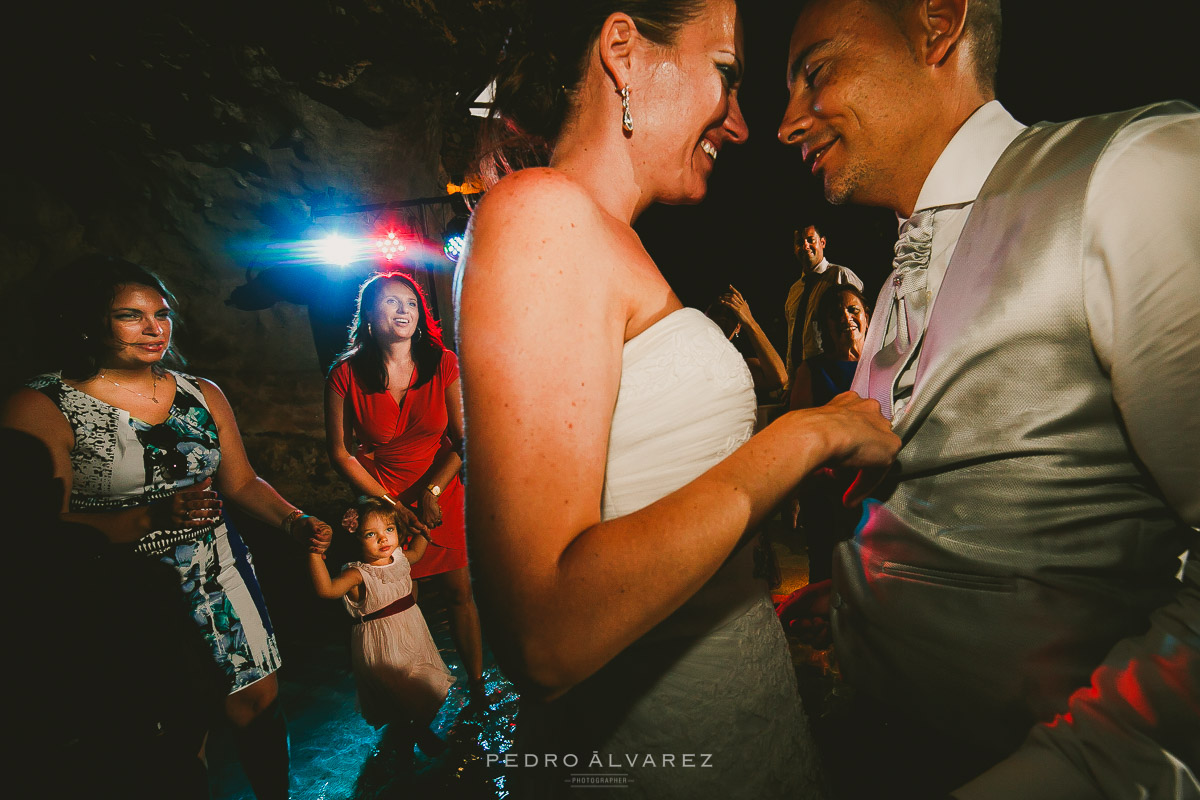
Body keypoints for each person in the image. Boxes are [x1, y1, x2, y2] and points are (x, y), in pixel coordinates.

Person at [456, 1, 900, 796]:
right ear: (624, 50)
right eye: (725, 77)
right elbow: (546, 634)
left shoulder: (605, 238)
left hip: (735, 719)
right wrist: (804, 436)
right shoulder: (541, 217)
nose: (739, 126)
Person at [777, 0, 1199, 797]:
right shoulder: (903, 261)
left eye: (816, 71)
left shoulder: (1132, 172)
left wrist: (1079, 767)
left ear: (937, 21)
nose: (787, 121)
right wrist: (858, 599)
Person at [0, 254, 334, 800]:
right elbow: (35, 529)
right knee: (171, 727)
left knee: (258, 700)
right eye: (130, 316)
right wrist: (149, 517)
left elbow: (242, 483)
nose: (155, 329)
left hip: (218, 571)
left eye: (161, 313)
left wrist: (296, 522)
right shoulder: (42, 405)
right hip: (117, 586)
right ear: (87, 322)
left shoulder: (201, 394)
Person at [324, 270, 485, 701]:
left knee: (458, 594)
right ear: (370, 318)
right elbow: (341, 452)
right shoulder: (344, 374)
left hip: (440, 489)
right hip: (384, 501)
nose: (404, 310)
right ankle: (415, 694)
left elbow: (464, 439)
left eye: (411, 303)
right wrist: (388, 506)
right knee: (397, 604)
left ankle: (478, 683)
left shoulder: (442, 362)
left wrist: (432, 492)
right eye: (392, 302)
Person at [307, 496, 455, 754]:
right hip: (381, 648)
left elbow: (418, 553)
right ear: (356, 540)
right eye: (370, 534)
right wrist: (315, 555)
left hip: (412, 636)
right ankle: (413, 739)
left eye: (389, 530)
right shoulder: (357, 574)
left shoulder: (399, 558)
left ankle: (409, 737)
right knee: (405, 697)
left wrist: (424, 523)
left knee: (425, 690)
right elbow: (327, 590)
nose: (383, 539)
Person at [786, 284, 872, 583]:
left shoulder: (885, 366)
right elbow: (798, 438)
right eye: (836, 314)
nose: (846, 317)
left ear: (868, 317)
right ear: (825, 326)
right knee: (826, 576)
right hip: (828, 497)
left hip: (877, 495)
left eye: (853, 309)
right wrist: (795, 495)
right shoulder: (812, 371)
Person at [784, 223, 863, 384]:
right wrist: (790, 381)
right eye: (800, 242)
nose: (805, 245)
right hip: (803, 379)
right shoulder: (794, 291)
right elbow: (792, 337)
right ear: (794, 249)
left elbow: (860, 326)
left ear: (823, 242)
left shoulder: (840, 275)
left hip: (835, 375)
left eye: (810, 240)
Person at [707, 284, 788, 396]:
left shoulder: (735, 366)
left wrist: (750, 323)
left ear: (738, 327)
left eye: (731, 314)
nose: (723, 318)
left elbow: (779, 378)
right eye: (717, 311)